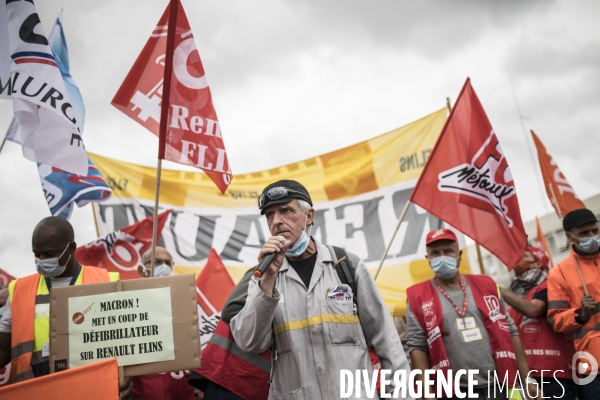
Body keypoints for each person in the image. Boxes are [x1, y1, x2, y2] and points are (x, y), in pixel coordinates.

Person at [230, 180, 411, 399]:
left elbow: (387, 340)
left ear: (309, 216)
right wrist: (267, 280)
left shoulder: (346, 265)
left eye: (286, 210)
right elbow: (250, 342)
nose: (277, 221)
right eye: (269, 215)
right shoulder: (263, 279)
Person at [0, 217, 130, 398]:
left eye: (49, 253)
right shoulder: (19, 290)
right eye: (36, 254)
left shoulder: (107, 282)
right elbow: (3, 349)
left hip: (91, 392)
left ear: (71, 248)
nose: (41, 260)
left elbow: (129, 341)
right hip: (33, 393)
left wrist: (127, 376)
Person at [406, 228, 539, 399]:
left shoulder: (486, 285)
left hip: (501, 386)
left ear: (459, 255)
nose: (442, 257)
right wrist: (427, 394)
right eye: (435, 253)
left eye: (447, 251)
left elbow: (511, 331)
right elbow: (417, 346)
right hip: (455, 392)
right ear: (428, 259)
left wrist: (528, 380)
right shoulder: (418, 296)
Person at [501, 245, 578, 399]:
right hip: (528, 375)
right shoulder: (520, 294)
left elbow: (533, 310)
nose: (518, 262)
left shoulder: (549, 285)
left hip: (553, 374)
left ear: (537, 263)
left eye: (524, 257)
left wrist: (497, 289)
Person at [547, 208, 600, 398]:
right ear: (570, 236)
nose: (592, 236)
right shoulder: (559, 273)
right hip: (591, 366)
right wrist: (581, 314)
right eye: (584, 233)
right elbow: (556, 320)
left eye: (595, 230)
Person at [132, 246, 195, 400]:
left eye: (168, 263)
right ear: (141, 270)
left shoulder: (187, 300)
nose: (164, 267)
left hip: (183, 389)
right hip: (144, 391)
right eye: (156, 262)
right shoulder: (130, 305)